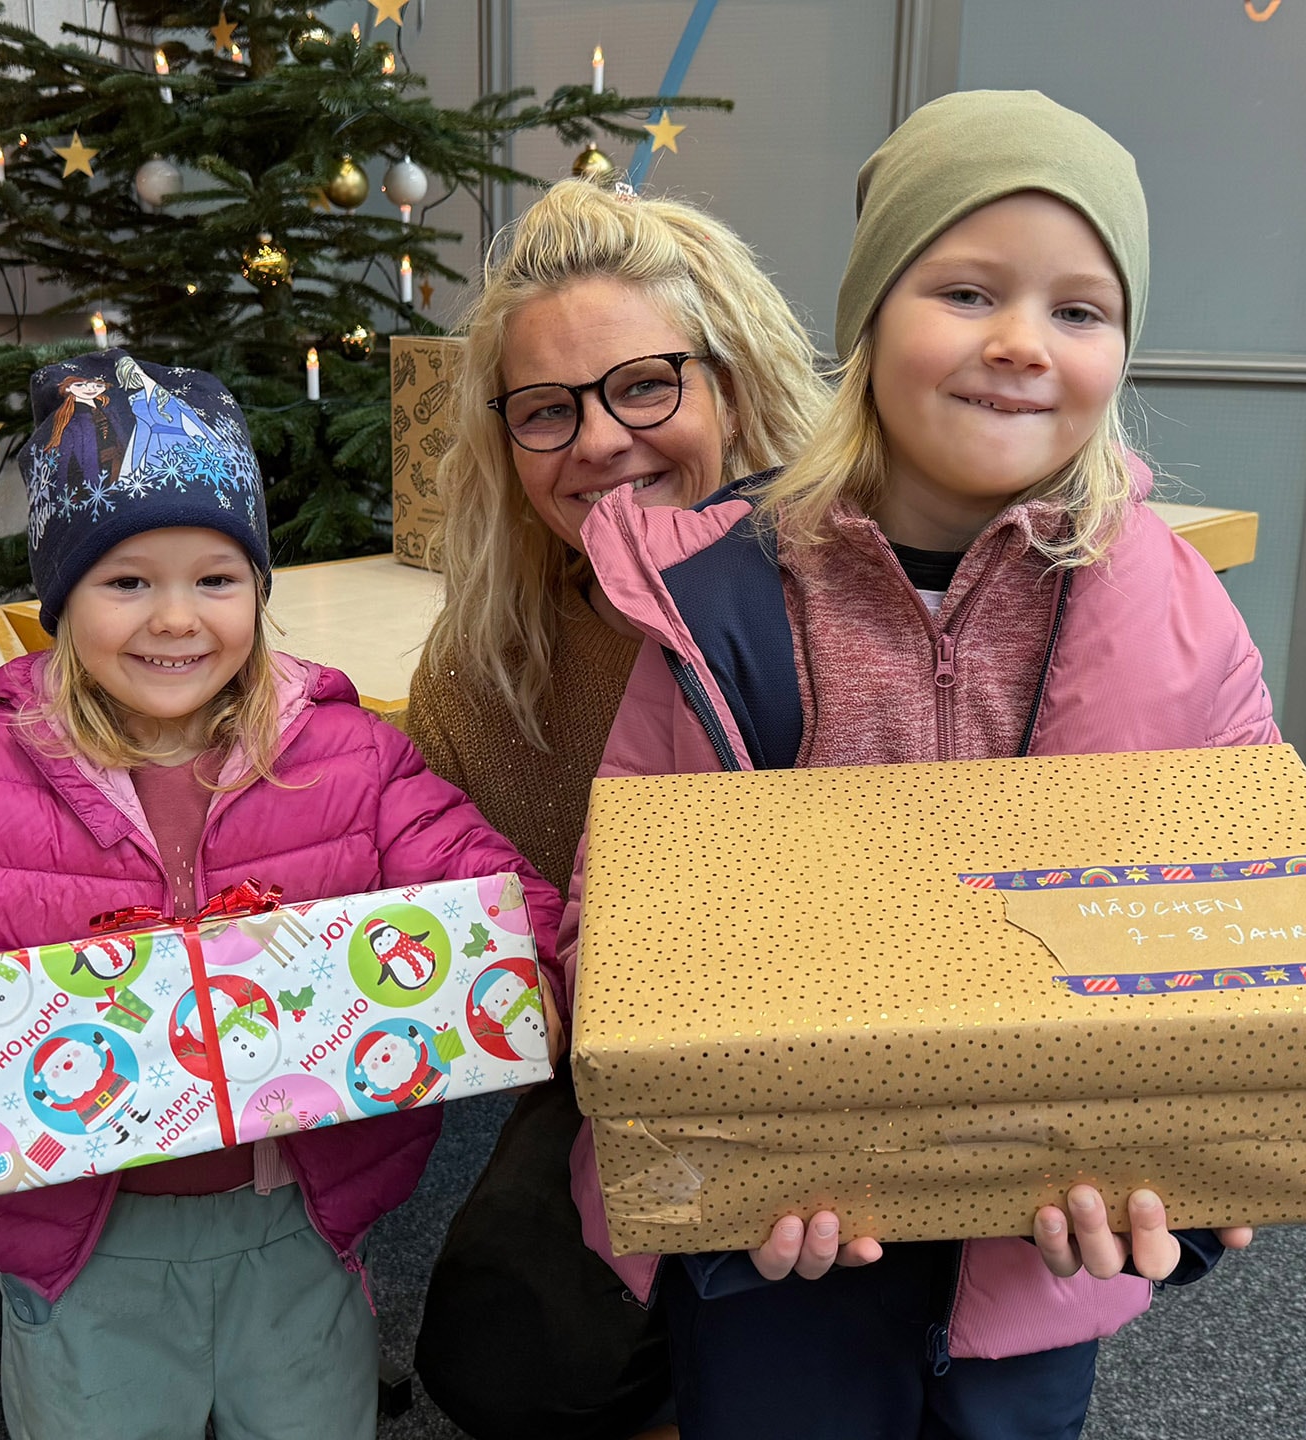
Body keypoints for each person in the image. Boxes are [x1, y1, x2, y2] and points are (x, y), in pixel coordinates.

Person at [557, 91, 1271, 1439]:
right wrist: (722, 1151)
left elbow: (1253, 898)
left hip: (1046, 1241)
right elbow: (628, 926)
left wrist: (1204, 1147)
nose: (1020, 344)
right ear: (870, 319)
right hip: (784, 1242)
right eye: (965, 289)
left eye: (1080, 310)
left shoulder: (1173, 611)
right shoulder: (726, 604)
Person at [0, 351, 559, 1440]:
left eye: (215, 580)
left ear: (257, 593)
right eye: (127, 581)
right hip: (82, 1238)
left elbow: (482, 881)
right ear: (61, 599)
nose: (175, 620)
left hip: (299, 1215)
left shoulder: (351, 757)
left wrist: (539, 973)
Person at [404, 178, 828, 1440]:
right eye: (546, 411)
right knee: (504, 1355)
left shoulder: (844, 592)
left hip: (859, 1058)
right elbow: (429, 897)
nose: (597, 442)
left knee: (827, 1354)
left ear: (734, 383)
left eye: (645, 386)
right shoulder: (493, 660)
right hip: (624, 1065)